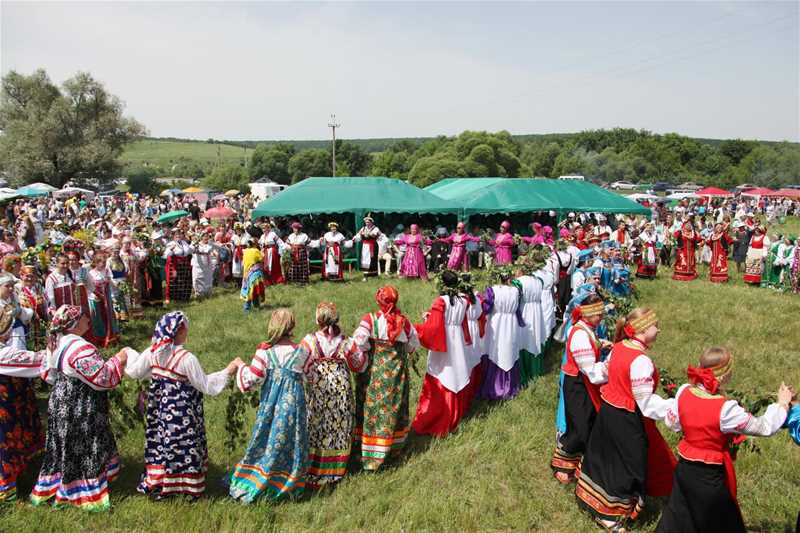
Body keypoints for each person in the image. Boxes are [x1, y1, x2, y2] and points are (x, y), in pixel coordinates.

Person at [655, 347, 794, 533]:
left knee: (680, 516)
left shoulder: (684, 391)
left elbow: (673, 423)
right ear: (723, 376)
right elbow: (764, 427)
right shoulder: (725, 409)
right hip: (709, 476)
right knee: (722, 523)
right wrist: (782, 404)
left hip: (684, 469)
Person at [576, 308, 676, 531]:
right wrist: (677, 408)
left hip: (608, 413)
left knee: (606, 457)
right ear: (642, 329)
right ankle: (611, 514)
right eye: (655, 326)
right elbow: (646, 403)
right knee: (628, 465)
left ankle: (592, 500)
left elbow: (604, 372)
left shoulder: (620, 347)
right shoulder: (641, 361)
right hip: (627, 419)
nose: (658, 329)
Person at [125, 311, 240, 499]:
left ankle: (161, 480)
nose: (187, 331)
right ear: (179, 331)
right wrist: (228, 371)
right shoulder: (186, 358)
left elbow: (135, 371)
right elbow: (206, 385)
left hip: (160, 412)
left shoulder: (152, 352)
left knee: (161, 440)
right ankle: (184, 485)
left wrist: (128, 353)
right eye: (185, 327)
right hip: (182, 413)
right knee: (183, 443)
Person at [31, 305, 128, 511]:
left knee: (64, 442)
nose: (87, 320)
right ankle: (81, 491)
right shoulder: (79, 349)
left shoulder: (55, 343)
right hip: (80, 404)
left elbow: (48, 375)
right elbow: (101, 378)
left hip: (60, 400)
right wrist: (119, 359)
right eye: (84, 318)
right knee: (83, 442)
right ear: (74, 325)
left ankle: (58, 482)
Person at [229, 309, 309, 502]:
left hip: (270, 406)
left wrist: (240, 366)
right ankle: (288, 481)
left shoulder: (264, 353)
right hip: (294, 406)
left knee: (266, 438)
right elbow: (310, 376)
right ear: (292, 327)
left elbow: (251, 380)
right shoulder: (303, 352)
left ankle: (259, 478)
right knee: (292, 439)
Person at [351, 286, 419, 470]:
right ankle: (392, 450)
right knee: (393, 408)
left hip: (374, 372)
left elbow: (359, 341)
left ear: (379, 301)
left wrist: (368, 350)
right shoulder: (403, 322)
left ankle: (370, 452)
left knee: (373, 408)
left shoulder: (370, 319)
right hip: (396, 372)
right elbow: (414, 345)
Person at [300, 302, 366, 489]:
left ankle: (315, 466)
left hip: (319, 388)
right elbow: (359, 365)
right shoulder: (346, 341)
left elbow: (300, 364)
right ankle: (337, 468)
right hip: (341, 389)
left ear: (318, 320)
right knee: (339, 424)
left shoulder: (310, 340)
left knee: (318, 424)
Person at [551, 294, 609, 484]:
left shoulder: (587, 329)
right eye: (598, 314)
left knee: (587, 421)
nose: (601, 317)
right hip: (577, 383)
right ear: (588, 314)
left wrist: (601, 343)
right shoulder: (580, 334)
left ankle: (578, 462)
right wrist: (611, 364)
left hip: (582, 382)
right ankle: (561, 465)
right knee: (579, 426)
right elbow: (590, 370)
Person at [412, 270, 474, 437]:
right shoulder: (464, 300)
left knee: (442, 373)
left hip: (444, 342)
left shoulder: (441, 301)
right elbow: (458, 320)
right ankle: (455, 414)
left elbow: (434, 328)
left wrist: (420, 327)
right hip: (458, 342)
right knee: (456, 372)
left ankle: (439, 417)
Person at [0, 303, 46, 503]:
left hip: (9, 404)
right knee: (4, 444)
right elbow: (37, 362)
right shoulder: (4, 354)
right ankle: (6, 490)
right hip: (4, 409)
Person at [478, 267, 524, 401]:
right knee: (509, 350)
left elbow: (486, 308)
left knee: (495, 350)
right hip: (511, 323)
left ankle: (495, 385)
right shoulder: (516, 291)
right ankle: (509, 386)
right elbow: (518, 309)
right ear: (509, 278)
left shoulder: (493, 290)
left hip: (496, 323)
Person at [86, 250, 119, 348]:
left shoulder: (106, 271)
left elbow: (111, 280)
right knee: (98, 316)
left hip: (107, 297)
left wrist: (115, 286)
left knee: (108, 314)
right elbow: (89, 287)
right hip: (97, 298)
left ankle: (111, 335)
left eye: (105, 263)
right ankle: (101, 337)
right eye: (102, 263)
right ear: (96, 263)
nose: (104, 265)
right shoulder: (91, 273)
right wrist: (94, 295)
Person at [163, 229, 193, 303]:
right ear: (173, 236)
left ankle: (183, 297)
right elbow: (165, 255)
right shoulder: (171, 243)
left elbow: (188, 251)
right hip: (174, 265)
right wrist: (171, 249)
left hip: (184, 264)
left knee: (184, 280)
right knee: (174, 281)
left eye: (179, 234)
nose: (178, 236)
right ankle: (172, 298)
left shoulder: (184, 242)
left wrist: (193, 245)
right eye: (176, 235)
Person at [353, 215, 381, 280]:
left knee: (373, 259)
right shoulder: (363, 228)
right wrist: (354, 238)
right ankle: (365, 276)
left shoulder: (375, 228)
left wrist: (368, 234)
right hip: (365, 246)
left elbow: (376, 235)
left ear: (371, 222)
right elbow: (358, 235)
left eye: (368, 222)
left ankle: (374, 275)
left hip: (373, 246)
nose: (367, 223)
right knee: (365, 260)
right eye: (366, 222)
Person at [240, 240, 265, 311]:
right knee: (254, 290)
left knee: (249, 289)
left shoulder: (245, 251)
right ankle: (248, 307)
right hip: (255, 273)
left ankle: (252, 306)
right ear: (254, 244)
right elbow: (261, 258)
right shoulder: (255, 251)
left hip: (246, 273)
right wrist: (262, 252)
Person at [190, 230, 216, 299]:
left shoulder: (210, 243)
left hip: (208, 264)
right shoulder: (196, 244)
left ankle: (208, 293)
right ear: (201, 237)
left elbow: (217, 246)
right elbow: (190, 250)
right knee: (198, 278)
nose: (206, 237)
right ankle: (198, 294)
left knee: (208, 278)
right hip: (198, 265)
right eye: (204, 236)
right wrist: (194, 244)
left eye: (207, 236)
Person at [259, 220, 285, 285]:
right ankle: (268, 281)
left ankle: (277, 280)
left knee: (274, 265)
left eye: (265, 228)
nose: (264, 230)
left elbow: (279, 242)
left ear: (268, 228)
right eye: (262, 228)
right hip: (265, 252)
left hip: (272, 251)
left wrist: (284, 248)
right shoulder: (262, 236)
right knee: (265, 266)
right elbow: (260, 244)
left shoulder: (272, 234)